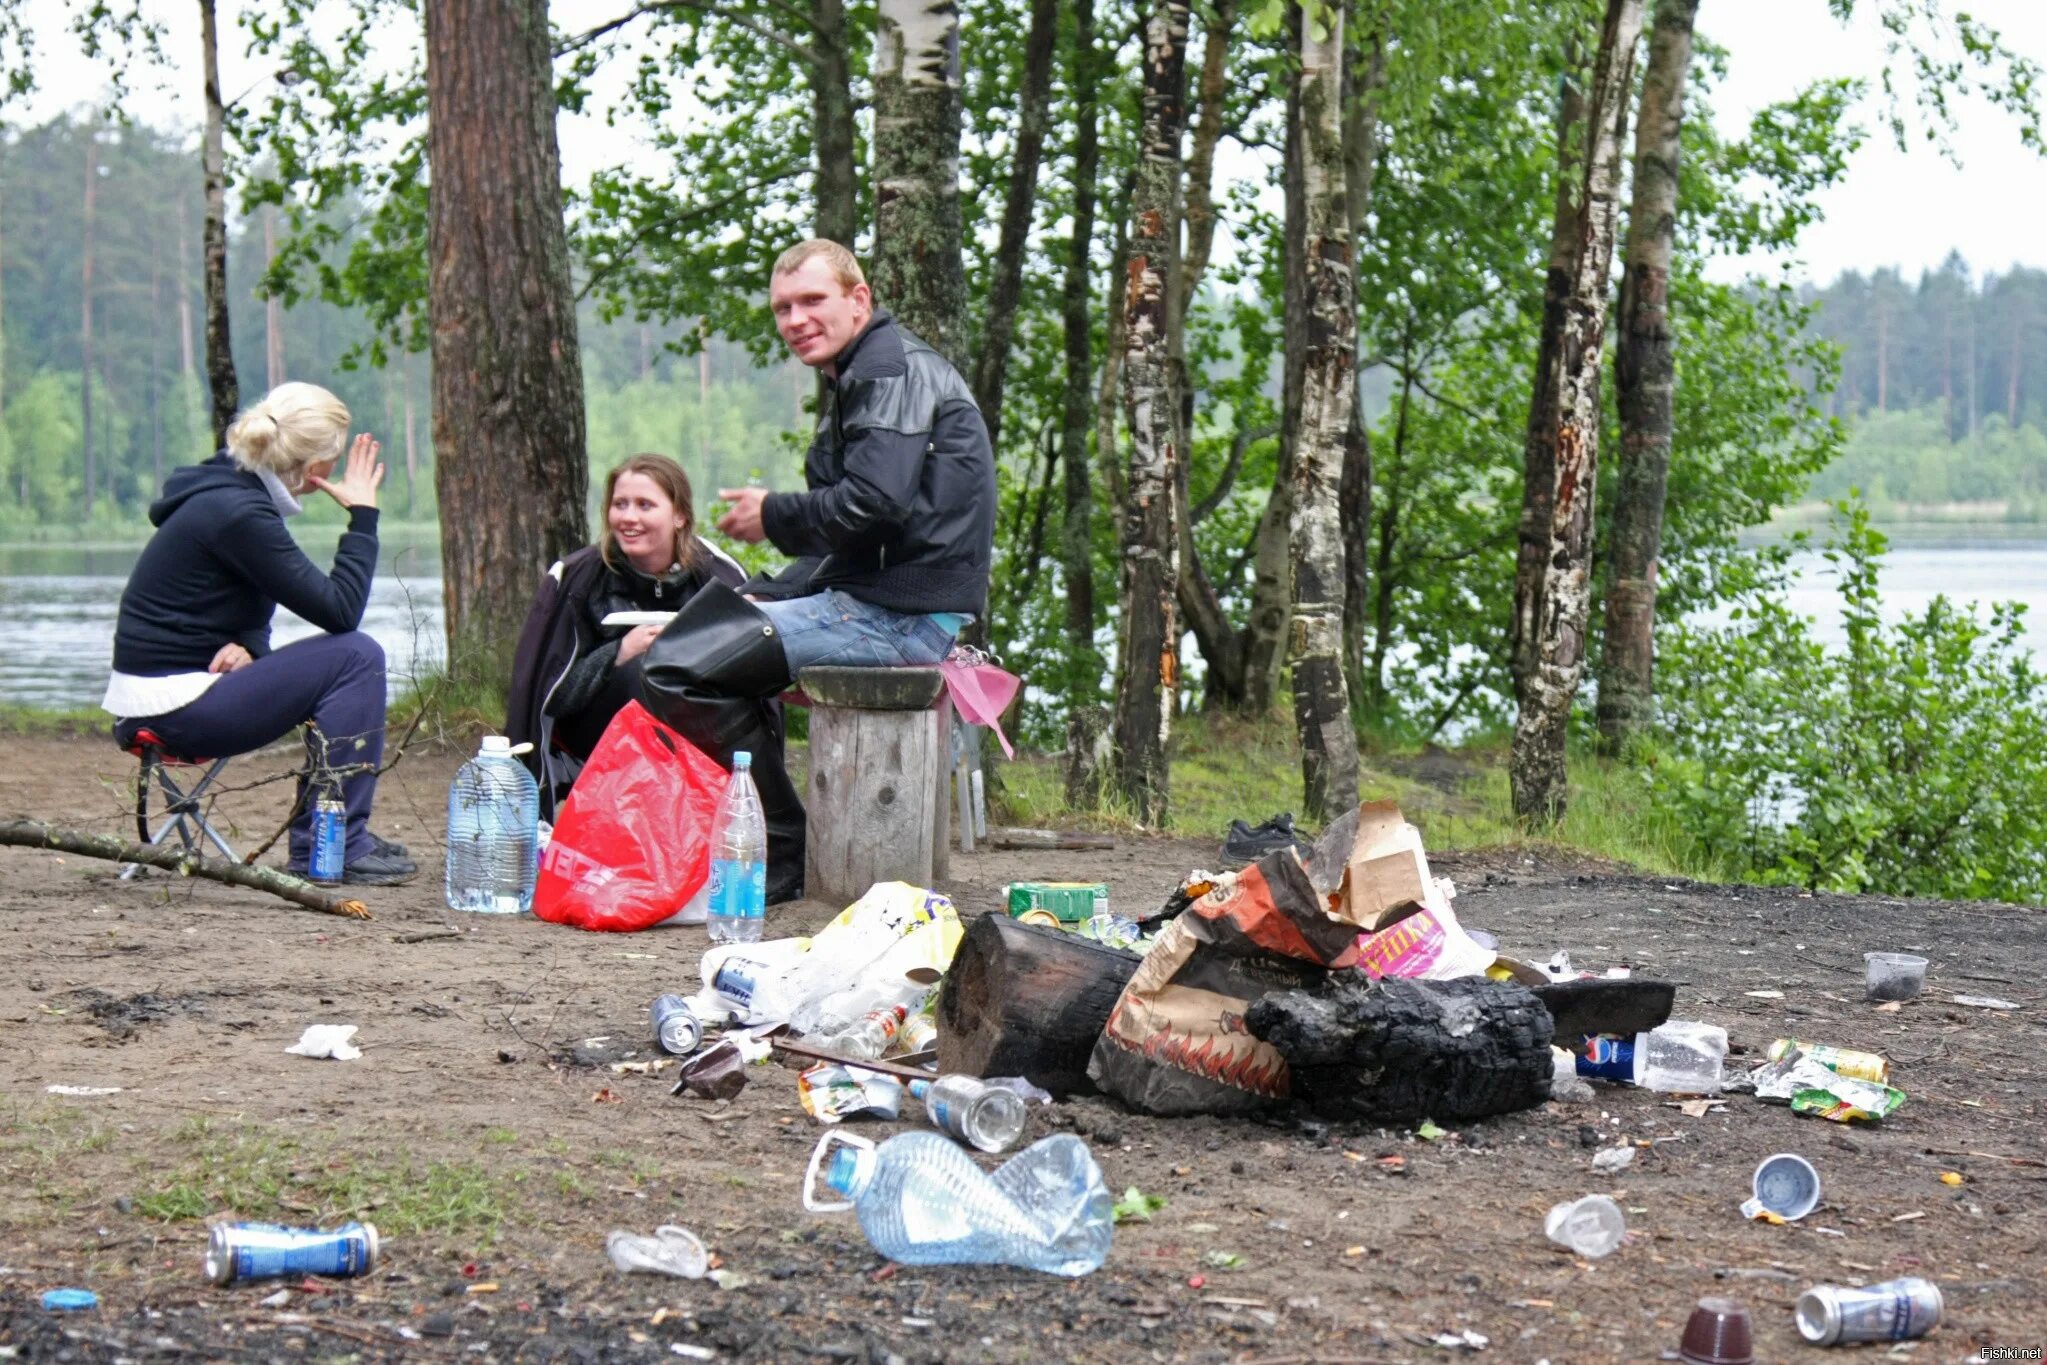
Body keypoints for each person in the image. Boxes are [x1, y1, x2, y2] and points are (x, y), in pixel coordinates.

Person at [637, 238, 997, 904]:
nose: (794, 319)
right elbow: (861, 535)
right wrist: (769, 589)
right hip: (882, 605)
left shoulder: (887, 371)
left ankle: (780, 844)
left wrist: (773, 515)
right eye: (781, 308)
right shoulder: (865, 371)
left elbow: (874, 503)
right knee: (707, 634)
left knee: (672, 663)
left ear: (858, 300)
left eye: (811, 300)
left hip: (899, 621)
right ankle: (770, 837)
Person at [102, 381, 415, 886]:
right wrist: (363, 517)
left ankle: (325, 837)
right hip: (174, 707)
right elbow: (340, 611)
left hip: (165, 695)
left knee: (347, 656)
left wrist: (250, 647)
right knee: (356, 656)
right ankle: (337, 842)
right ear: (316, 470)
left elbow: (242, 608)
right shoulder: (239, 512)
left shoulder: (227, 492)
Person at [505, 453, 746, 818]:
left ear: (679, 515)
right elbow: (550, 698)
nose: (629, 518)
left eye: (645, 505)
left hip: (697, 732)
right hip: (595, 734)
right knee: (640, 672)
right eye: (620, 505)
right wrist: (617, 654)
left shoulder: (719, 579)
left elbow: (750, 683)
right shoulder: (578, 580)